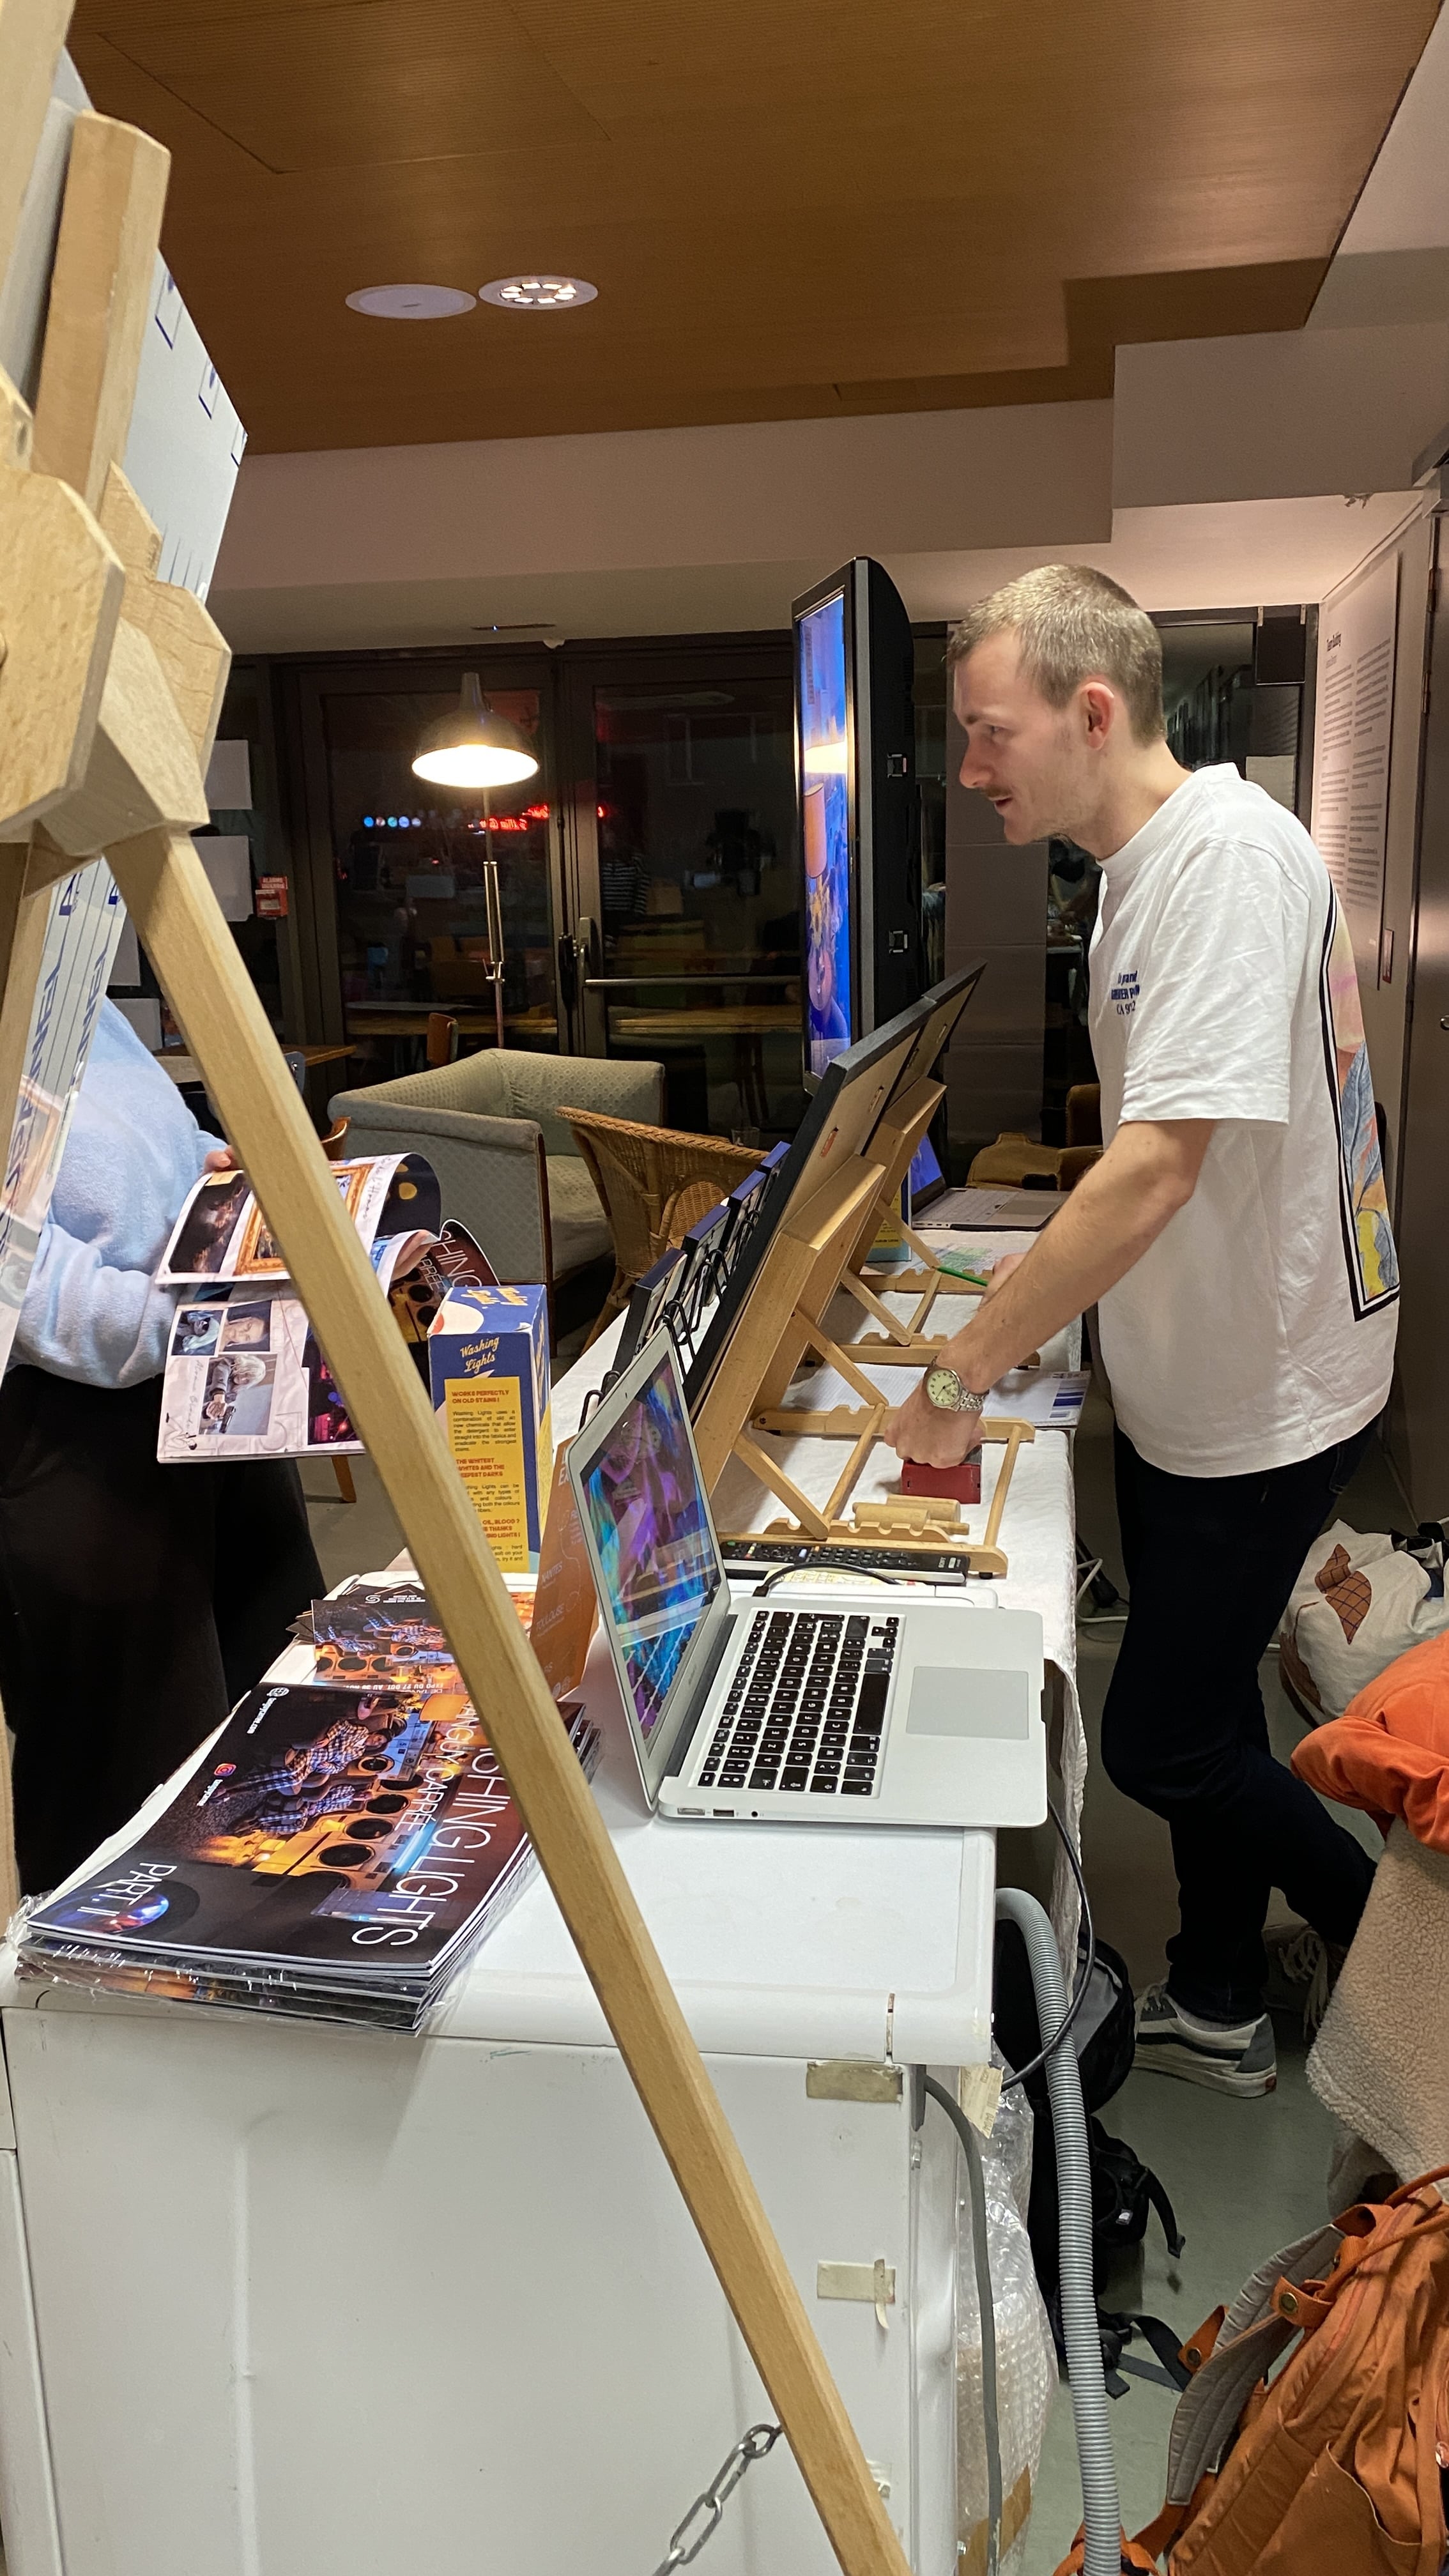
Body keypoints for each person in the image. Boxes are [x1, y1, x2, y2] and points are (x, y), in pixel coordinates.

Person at [885, 565, 1397, 2098]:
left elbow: (1161, 1163)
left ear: (1091, 711)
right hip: (1190, 1375)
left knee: (1163, 1745)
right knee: (1213, 1701)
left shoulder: (1225, 863)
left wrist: (966, 1364)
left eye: (992, 733)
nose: (971, 768)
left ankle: (1395, 1954)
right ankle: (1221, 1993)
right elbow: (1148, 1149)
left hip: (1265, 1390)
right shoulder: (1133, 867)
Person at [0, 1000, 323, 1894]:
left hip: (201, 1373)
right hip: (76, 1425)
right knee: (127, 1773)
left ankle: (270, 1935)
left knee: (282, 1699)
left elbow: (170, 1144)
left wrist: (226, 1188)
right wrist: (209, 1309)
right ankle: (99, 1976)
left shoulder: (67, 985)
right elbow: (31, 1288)